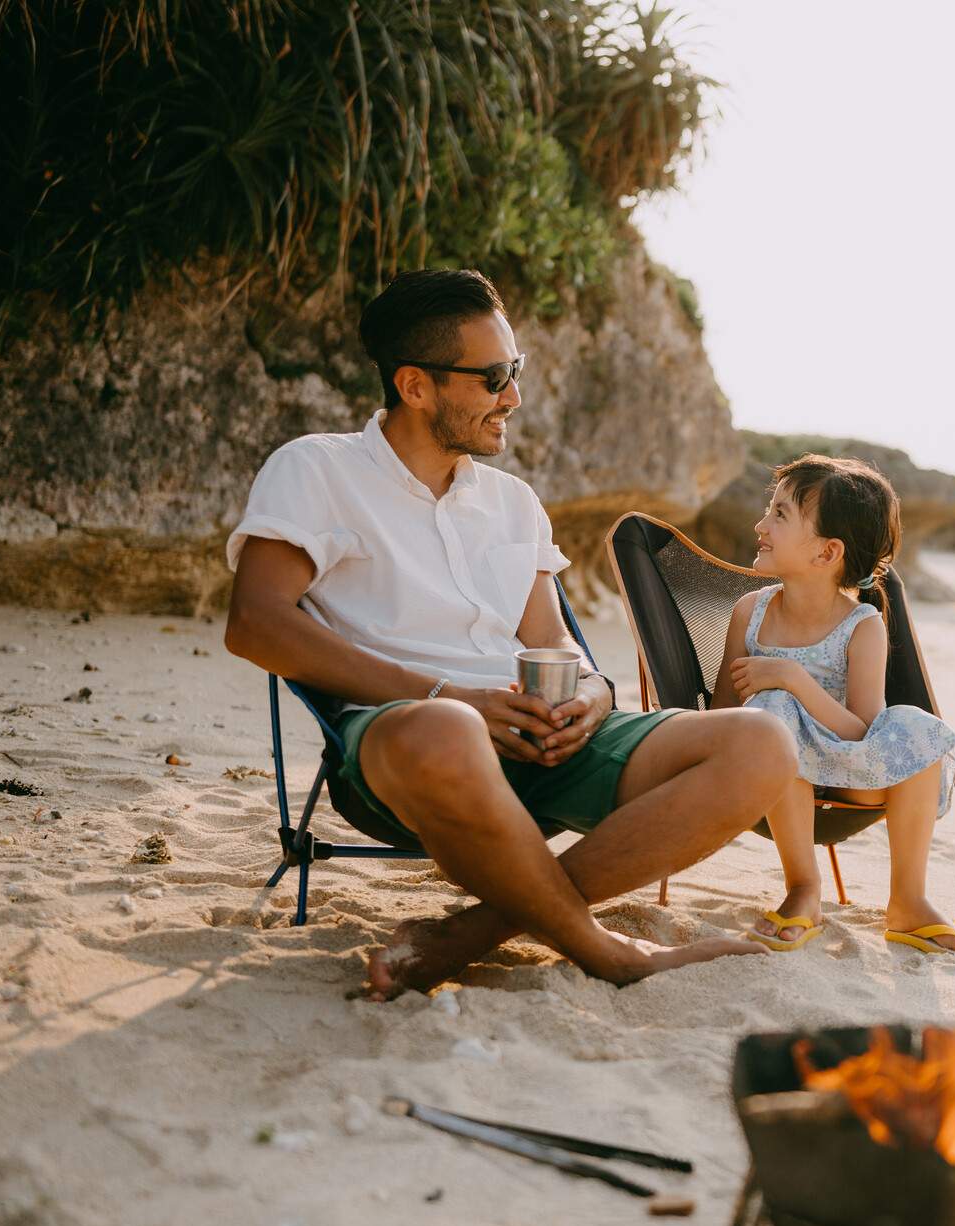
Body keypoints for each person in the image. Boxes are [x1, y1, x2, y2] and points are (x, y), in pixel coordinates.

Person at [224, 268, 790, 996]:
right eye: (493, 378)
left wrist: (589, 690)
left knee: (762, 744)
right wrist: (447, 694)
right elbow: (255, 624)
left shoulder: (513, 503)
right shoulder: (317, 469)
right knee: (450, 727)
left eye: (513, 371)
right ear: (416, 386)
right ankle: (606, 951)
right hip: (408, 748)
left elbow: (551, 642)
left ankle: (468, 935)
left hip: (540, 740)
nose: (513, 397)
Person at [710, 454, 955, 953]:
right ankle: (804, 889)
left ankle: (908, 900)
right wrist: (773, 698)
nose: (760, 524)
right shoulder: (751, 611)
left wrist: (793, 679)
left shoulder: (862, 626)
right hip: (773, 772)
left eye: (781, 515)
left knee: (913, 726)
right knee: (775, 712)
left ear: (827, 553)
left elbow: (864, 733)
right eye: (770, 510)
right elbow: (722, 716)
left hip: (849, 771)